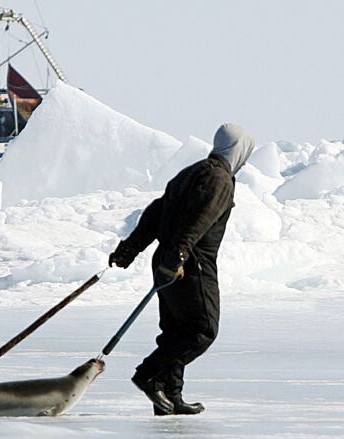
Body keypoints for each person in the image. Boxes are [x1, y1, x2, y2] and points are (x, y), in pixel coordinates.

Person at [108, 123, 255, 416]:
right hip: (190, 263)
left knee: (177, 329)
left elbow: (155, 211)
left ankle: (170, 395)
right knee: (202, 330)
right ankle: (151, 375)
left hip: (170, 258)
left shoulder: (193, 171)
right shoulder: (219, 178)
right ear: (240, 151)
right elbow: (200, 220)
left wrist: (131, 248)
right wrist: (179, 256)